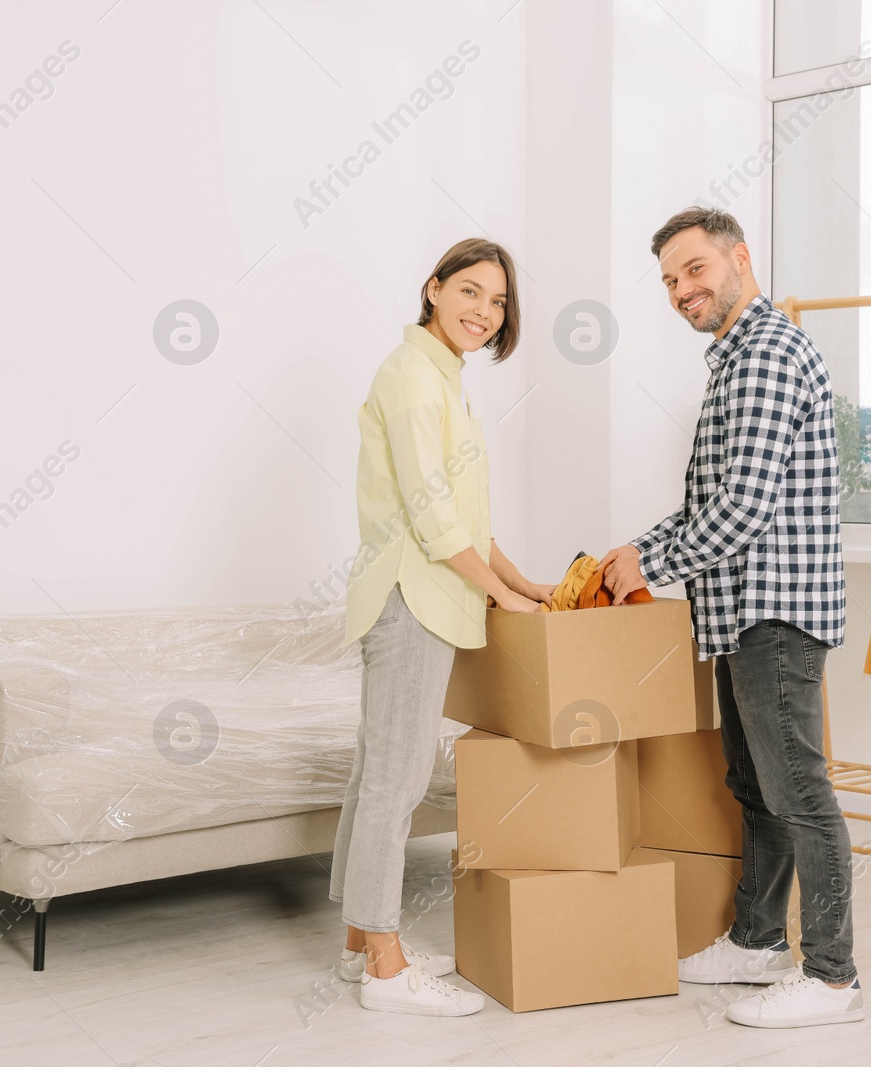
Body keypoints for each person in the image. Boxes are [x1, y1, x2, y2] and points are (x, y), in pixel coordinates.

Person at [601, 207, 862, 1029]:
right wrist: (636, 550)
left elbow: (743, 509)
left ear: (739, 258)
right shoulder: (736, 359)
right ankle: (755, 940)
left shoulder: (767, 354)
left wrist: (651, 562)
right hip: (740, 613)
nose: (683, 290)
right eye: (671, 279)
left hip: (774, 614)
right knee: (755, 787)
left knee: (799, 793)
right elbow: (713, 503)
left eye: (694, 270)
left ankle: (831, 977)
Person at [330, 237, 552, 1018]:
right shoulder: (414, 380)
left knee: (377, 772)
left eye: (497, 303)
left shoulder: (441, 379)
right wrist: (502, 594)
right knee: (397, 780)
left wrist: (520, 583)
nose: (483, 312)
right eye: (469, 291)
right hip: (409, 596)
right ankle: (387, 969)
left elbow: (464, 513)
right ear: (432, 289)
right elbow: (431, 519)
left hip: (423, 594)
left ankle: (365, 941)